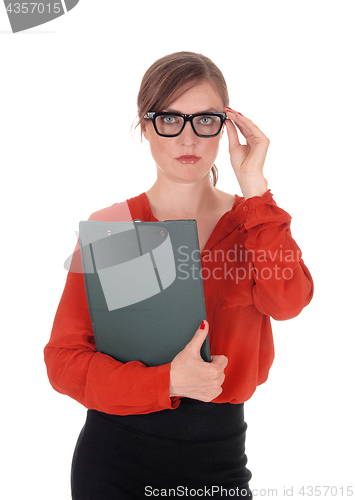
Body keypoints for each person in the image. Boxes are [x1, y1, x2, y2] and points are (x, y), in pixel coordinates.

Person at [44, 51, 314, 499]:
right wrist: (166, 381)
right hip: (115, 463)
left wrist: (255, 187)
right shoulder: (114, 227)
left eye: (205, 120)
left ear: (226, 126)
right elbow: (64, 362)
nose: (188, 138)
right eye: (169, 119)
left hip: (220, 463)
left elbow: (288, 301)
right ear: (146, 126)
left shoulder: (254, 223)